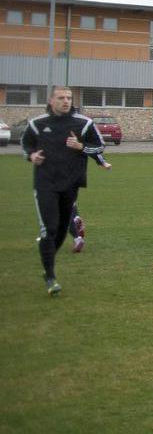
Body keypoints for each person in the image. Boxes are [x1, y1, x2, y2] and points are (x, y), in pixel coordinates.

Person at [22, 86, 106, 295]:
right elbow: (26, 146)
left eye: (68, 98)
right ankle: (50, 276)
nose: (66, 101)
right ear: (51, 101)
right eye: (61, 98)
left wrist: (81, 147)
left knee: (60, 231)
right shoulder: (37, 124)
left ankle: (48, 262)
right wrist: (31, 156)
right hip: (45, 184)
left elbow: (99, 146)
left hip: (71, 184)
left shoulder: (83, 123)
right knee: (49, 228)